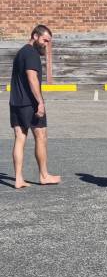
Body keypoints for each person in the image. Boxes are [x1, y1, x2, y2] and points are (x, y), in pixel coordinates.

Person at [9, 24, 61, 189]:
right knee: (41, 137)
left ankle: (18, 179)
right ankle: (44, 175)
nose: (46, 44)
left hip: (15, 102)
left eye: (48, 41)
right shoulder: (31, 54)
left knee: (20, 138)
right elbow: (32, 78)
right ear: (35, 36)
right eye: (45, 40)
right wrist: (40, 102)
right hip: (30, 104)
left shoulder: (21, 52)